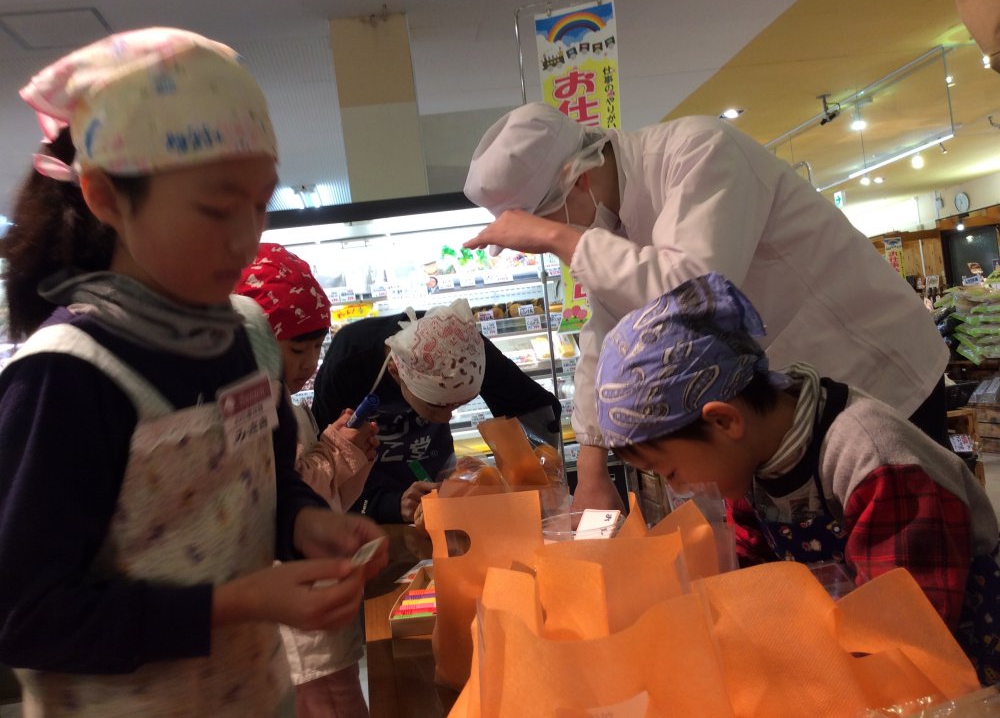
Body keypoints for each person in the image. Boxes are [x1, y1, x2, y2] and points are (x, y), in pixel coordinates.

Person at [0, 28, 387, 716]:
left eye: (260, 203)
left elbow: (264, 483)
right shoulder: (67, 376)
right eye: (215, 207)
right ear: (105, 197)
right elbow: (27, 616)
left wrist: (303, 524)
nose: (245, 238)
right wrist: (235, 603)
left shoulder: (238, 336)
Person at [462, 102, 950, 514]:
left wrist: (559, 237)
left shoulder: (700, 150)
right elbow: (607, 335)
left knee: (906, 555)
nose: (553, 247)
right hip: (787, 413)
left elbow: (696, 297)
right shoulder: (603, 227)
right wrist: (591, 474)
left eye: (544, 228)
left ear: (580, 180)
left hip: (874, 374)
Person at [594, 272, 1000, 685]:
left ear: (724, 421)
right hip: (851, 653)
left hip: (953, 666)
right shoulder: (750, 462)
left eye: (671, 472)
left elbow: (908, 629)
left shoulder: (871, 460)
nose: (676, 488)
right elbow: (755, 578)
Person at [236, 243, 377, 718]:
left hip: (318, 595)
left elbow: (323, 501)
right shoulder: (254, 414)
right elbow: (280, 501)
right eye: (298, 348)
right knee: (330, 701)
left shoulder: (288, 409)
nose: (310, 363)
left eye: (318, 347)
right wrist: (337, 451)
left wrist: (351, 455)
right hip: (297, 603)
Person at [311, 298, 562, 523]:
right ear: (396, 373)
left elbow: (534, 405)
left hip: (432, 464)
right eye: (436, 405)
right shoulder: (348, 363)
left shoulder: (463, 348)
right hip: (366, 487)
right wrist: (388, 504)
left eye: (456, 405)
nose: (446, 417)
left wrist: (534, 474)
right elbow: (327, 468)